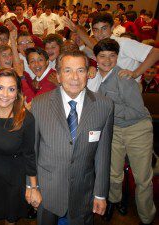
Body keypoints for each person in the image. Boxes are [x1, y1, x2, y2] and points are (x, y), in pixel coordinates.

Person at [31, 50, 114, 225]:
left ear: (88, 73)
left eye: (81, 70)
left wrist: (100, 193)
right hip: (48, 190)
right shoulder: (40, 104)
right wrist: (32, 186)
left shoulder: (104, 106)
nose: (75, 77)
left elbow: (103, 154)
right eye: (67, 70)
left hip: (84, 191)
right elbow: (33, 150)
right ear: (58, 76)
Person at [89, 38, 156, 225]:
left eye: (112, 56)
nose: (107, 60)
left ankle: (146, 216)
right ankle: (113, 202)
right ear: (95, 58)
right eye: (102, 56)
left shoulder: (124, 78)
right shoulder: (95, 78)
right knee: (113, 173)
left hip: (137, 129)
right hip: (115, 129)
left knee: (142, 178)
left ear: (117, 57)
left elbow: (135, 111)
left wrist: (106, 107)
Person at [0, 68, 41, 225]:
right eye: (0, 88)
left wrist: (33, 187)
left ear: (17, 93)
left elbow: (29, 154)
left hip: (13, 178)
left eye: (11, 89)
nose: (5, 95)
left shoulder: (26, 119)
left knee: (9, 220)